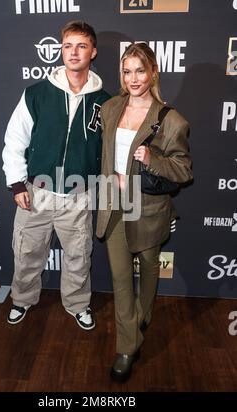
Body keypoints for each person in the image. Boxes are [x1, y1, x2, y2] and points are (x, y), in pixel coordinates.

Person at [2, 21, 110, 330]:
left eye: (81, 46)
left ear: (93, 52)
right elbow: (14, 141)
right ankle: (21, 299)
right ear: (60, 50)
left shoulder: (106, 101)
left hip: (79, 194)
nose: (73, 52)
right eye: (68, 46)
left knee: (79, 256)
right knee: (26, 253)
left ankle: (77, 304)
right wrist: (17, 184)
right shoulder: (36, 94)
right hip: (36, 192)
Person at [96, 42, 192, 382]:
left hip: (148, 208)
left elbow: (183, 171)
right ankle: (127, 346)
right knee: (121, 279)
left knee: (149, 268)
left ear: (153, 72)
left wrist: (153, 160)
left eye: (140, 70)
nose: (133, 78)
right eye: (127, 70)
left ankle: (144, 315)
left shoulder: (171, 120)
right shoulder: (109, 108)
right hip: (113, 206)